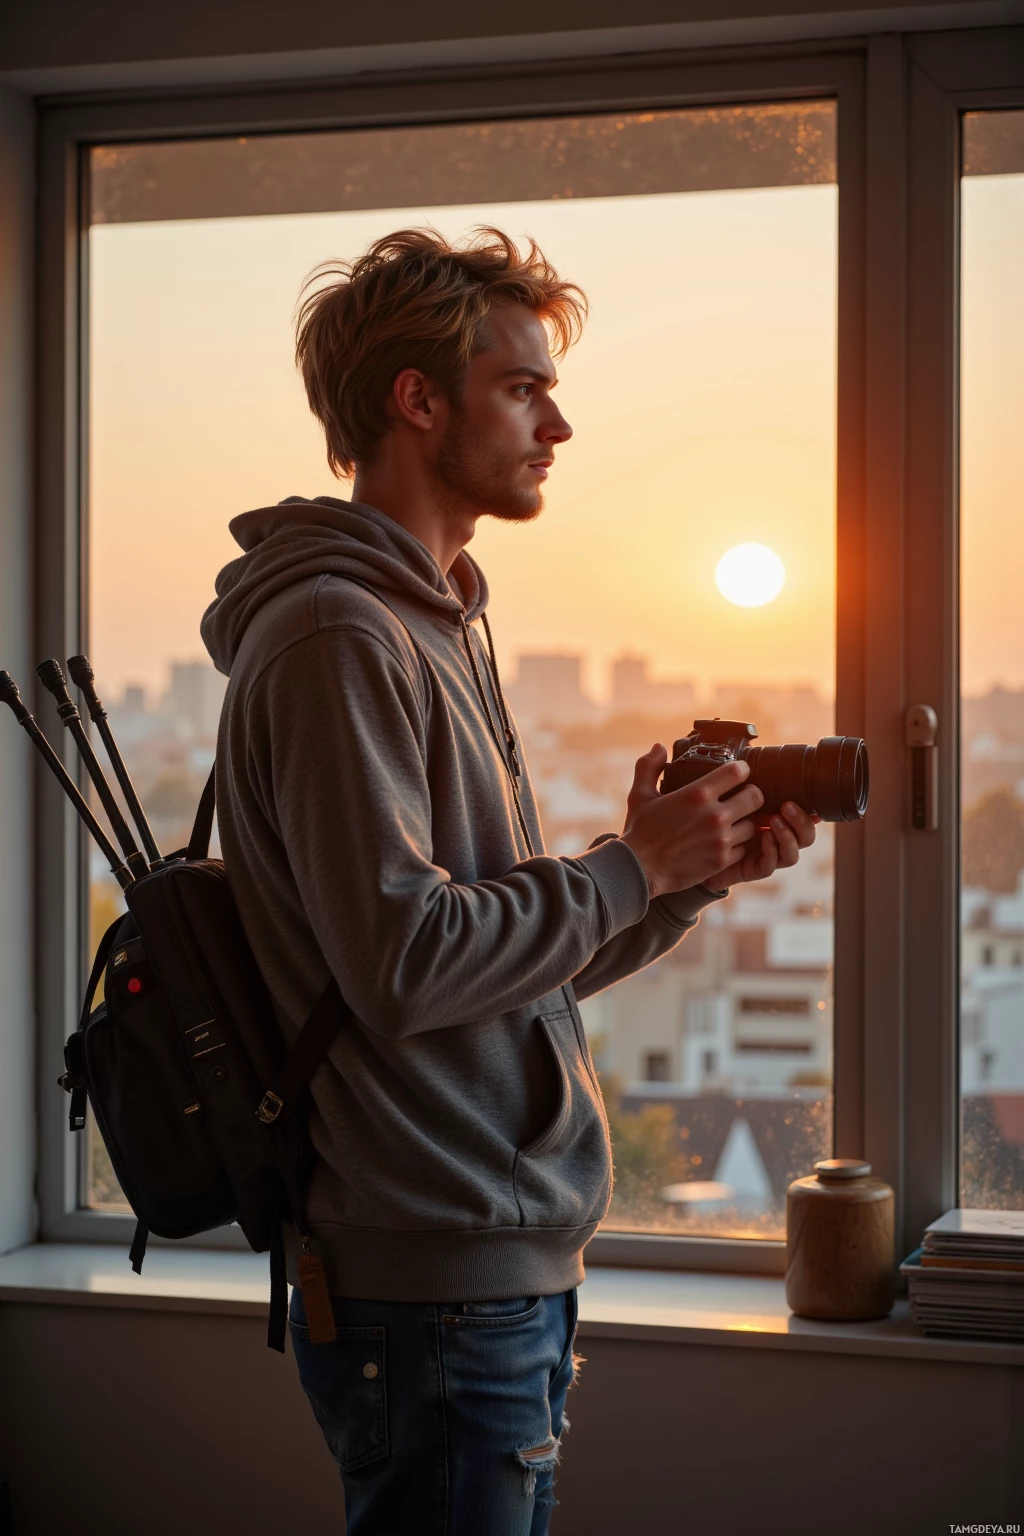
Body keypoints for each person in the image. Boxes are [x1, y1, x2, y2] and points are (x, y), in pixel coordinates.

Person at [201, 227, 816, 1534]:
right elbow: (403, 963)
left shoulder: (433, 622)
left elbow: (497, 975)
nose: (560, 425)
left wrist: (677, 881)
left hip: (481, 1273)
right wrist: (626, 864)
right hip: (432, 1278)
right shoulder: (337, 632)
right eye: (524, 388)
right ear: (418, 401)